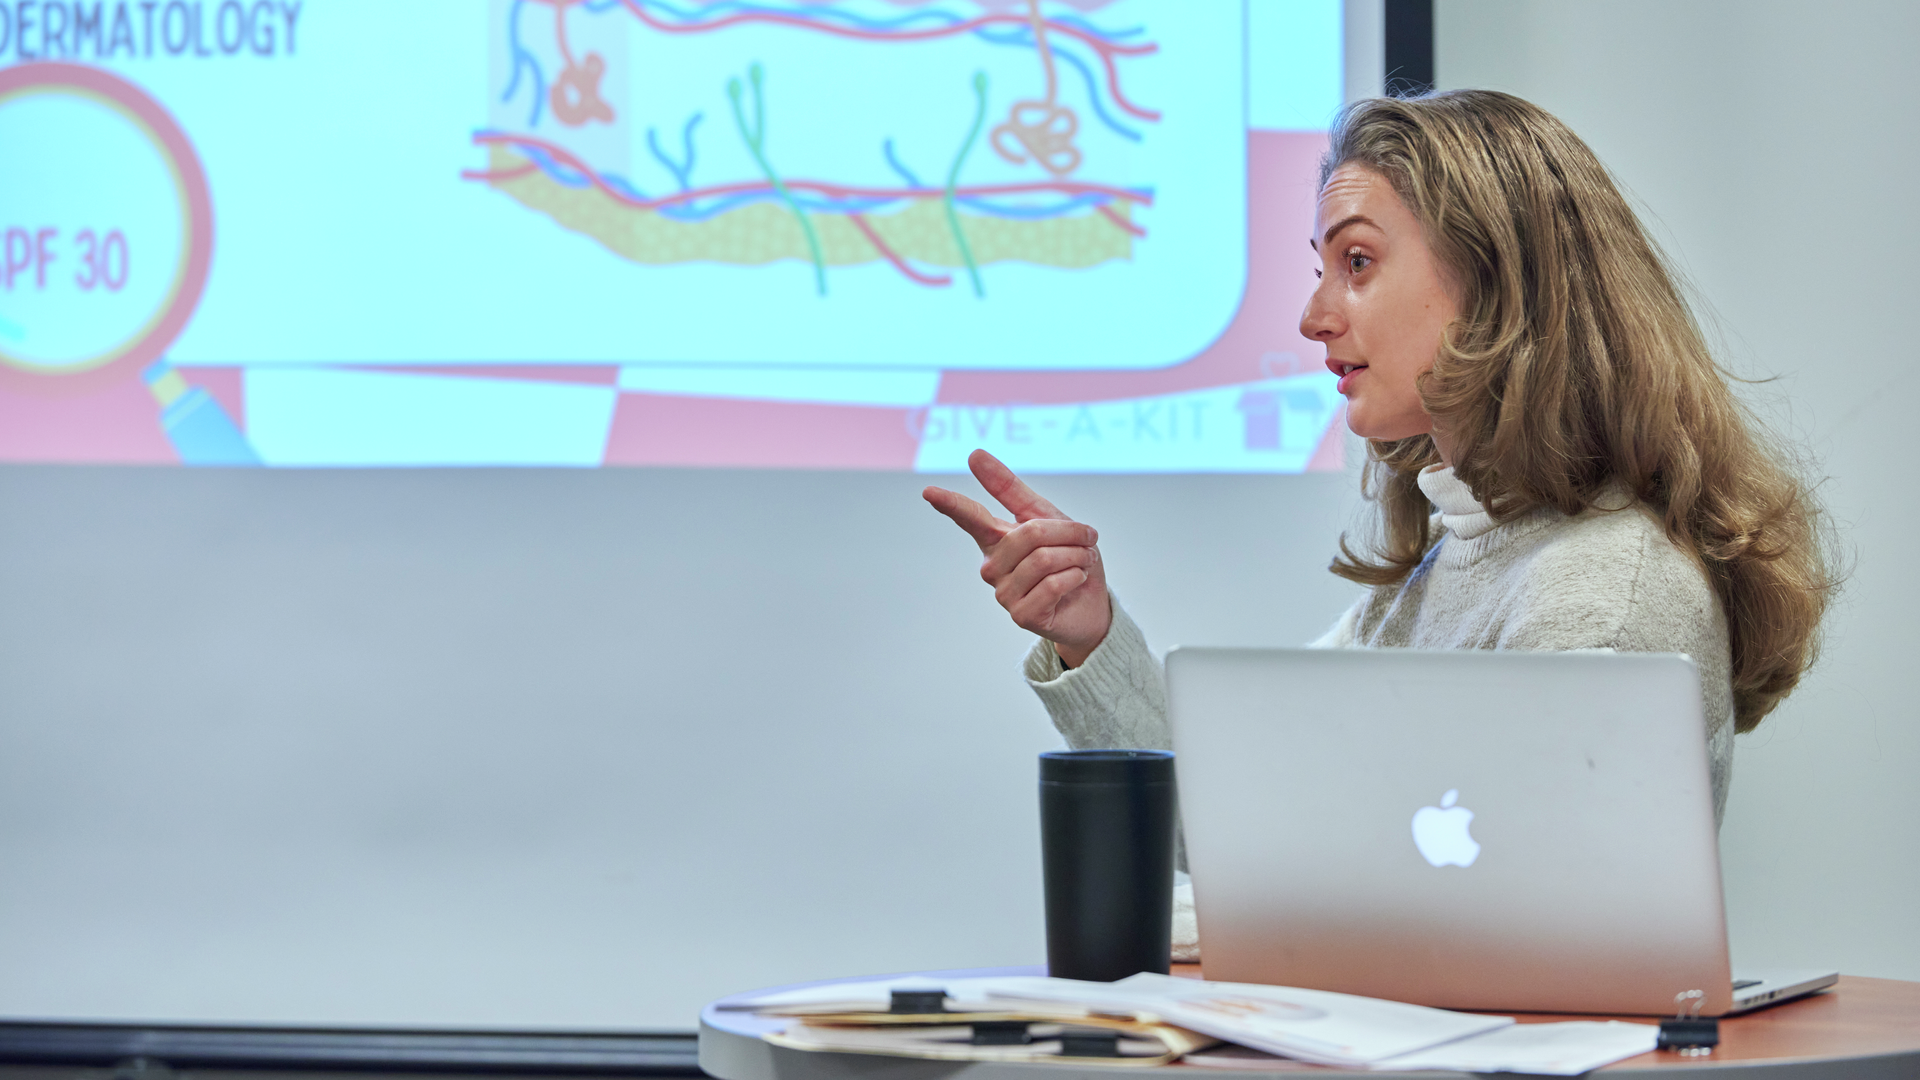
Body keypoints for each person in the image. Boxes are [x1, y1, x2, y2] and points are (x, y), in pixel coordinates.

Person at [923, 90, 1834, 960]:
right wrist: (1091, 633)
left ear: (1499, 283)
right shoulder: (1451, 559)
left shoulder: (1606, 592)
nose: (1314, 317)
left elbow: (1508, 933)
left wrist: (1204, 929)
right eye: (1321, 269)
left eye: (1355, 264)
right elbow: (1242, 815)